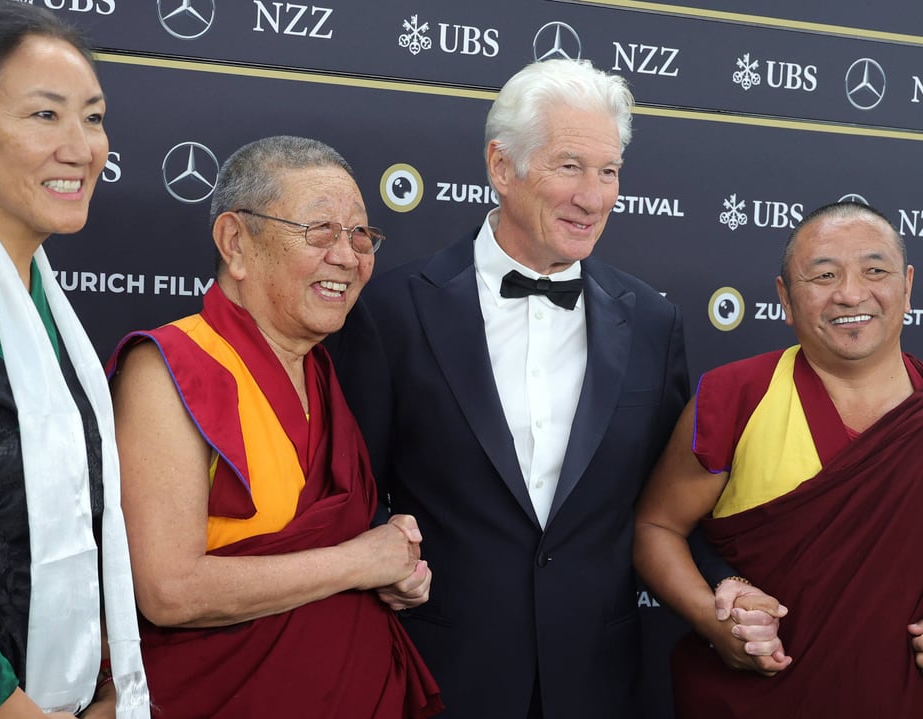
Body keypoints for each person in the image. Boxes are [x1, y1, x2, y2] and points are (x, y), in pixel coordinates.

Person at [327, 58, 778, 719]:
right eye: (570, 165)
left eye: (608, 171)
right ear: (501, 166)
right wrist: (383, 553)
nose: (592, 196)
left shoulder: (652, 323)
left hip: (600, 681)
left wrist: (725, 587)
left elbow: (669, 505)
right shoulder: (392, 310)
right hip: (438, 676)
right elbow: (345, 485)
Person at [108, 136, 443, 719]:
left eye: (361, 235)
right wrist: (359, 563)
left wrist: (397, 573)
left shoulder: (323, 374)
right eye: (320, 231)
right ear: (236, 242)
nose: (348, 256)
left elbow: (322, 537)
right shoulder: (173, 367)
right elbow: (169, 591)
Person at [634, 201, 923, 717]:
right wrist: (710, 618)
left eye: (874, 271)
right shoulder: (736, 397)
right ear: (785, 299)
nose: (851, 293)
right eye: (824, 275)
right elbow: (656, 526)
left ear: (907, 285)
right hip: (754, 696)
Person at [0, 1, 149, 717]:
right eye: (45, 116)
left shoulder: (48, 308)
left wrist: (105, 685)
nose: (82, 147)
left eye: (94, 117)